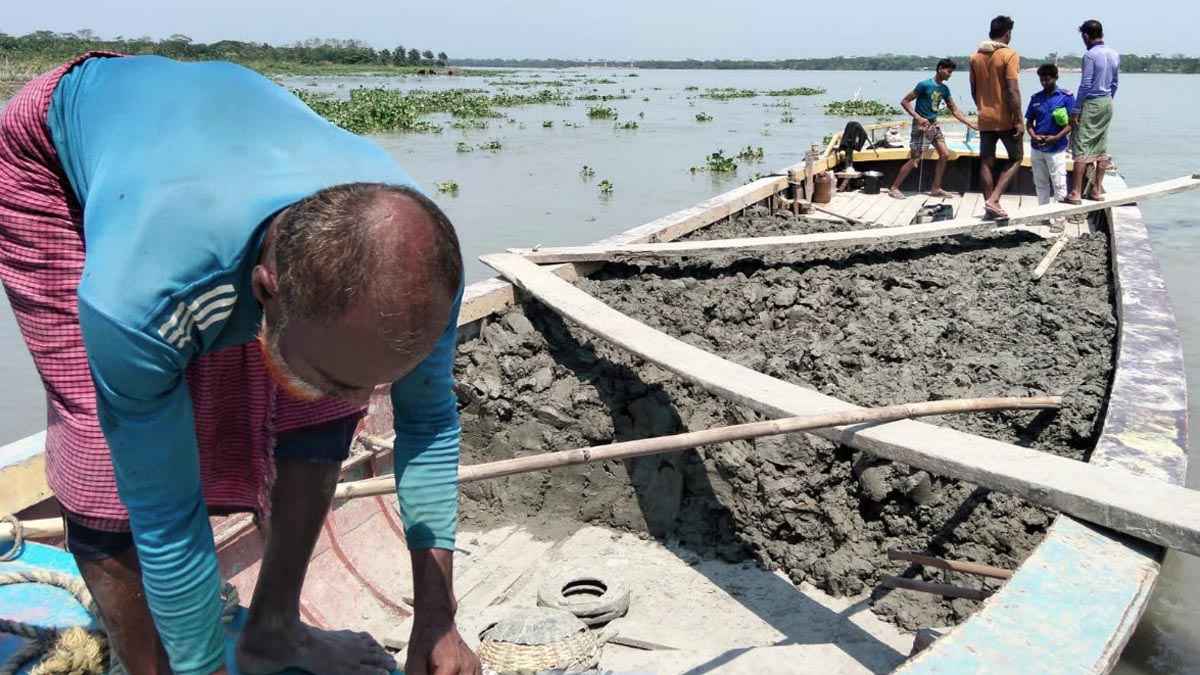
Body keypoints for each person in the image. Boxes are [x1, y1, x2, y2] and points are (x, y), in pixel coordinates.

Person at [0, 53, 481, 675]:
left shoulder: (425, 269)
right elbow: (166, 516)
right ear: (263, 289)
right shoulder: (138, 297)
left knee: (323, 401)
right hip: (57, 158)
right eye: (333, 377)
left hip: (232, 150)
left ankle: (275, 631)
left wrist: (437, 620)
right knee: (105, 467)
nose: (354, 398)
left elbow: (432, 425)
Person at [888, 58, 979, 200]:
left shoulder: (944, 89)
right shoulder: (924, 85)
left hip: (933, 126)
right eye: (949, 71)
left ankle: (935, 188)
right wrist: (917, 117)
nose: (950, 75)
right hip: (921, 127)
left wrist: (970, 124)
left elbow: (954, 109)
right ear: (940, 69)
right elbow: (905, 101)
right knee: (915, 160)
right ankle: (894, 188)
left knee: (944, 154)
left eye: (951, 72)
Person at [969, 15, 1024, 220]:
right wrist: (1018, 119)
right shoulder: (1009, 55)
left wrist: (983, 108)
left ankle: (989, 207)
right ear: (1008, 33)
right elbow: (1012, 91)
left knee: (986, 161)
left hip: (985, 117)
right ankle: (994, 200)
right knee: (1017, 158)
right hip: (1006, 118)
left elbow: (974, 90)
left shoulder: (975, 57)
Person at [1065, 19, 1119, 204]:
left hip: (1092, 102)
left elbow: (1086, 84)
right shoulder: (1114, 54)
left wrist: (1076, 109)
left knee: (1081, 147)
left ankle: (1076, 193)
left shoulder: (1090, 55)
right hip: (1107, 101)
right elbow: (1115, 83)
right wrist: (1108, 99)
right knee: (1101, 146)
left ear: (1086, 36)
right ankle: (1096, 190)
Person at [1025, 64, 1076, 205]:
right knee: (1040, 183)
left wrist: (1056, 138)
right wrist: (1034, 136)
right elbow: (1029, 123)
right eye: (1042, 80)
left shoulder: (1066, 97)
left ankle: (1059, 218)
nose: (1044, 83)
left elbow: (1073, 123)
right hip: (1037, 147)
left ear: (1056, 78)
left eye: (1048, 80)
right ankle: (1043, 214)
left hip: (1056, 148)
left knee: (1059, 183)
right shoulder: (1036, 98)